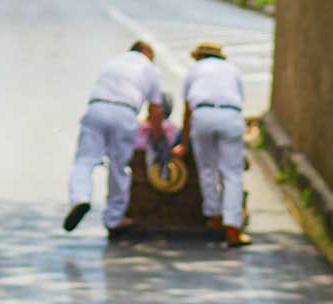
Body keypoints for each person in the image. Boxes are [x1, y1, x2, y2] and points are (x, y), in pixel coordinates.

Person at [66, 42, 168, 237]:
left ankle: (79, 198)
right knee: (119, 167)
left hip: (97, 108)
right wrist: (159, 138)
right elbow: (155, 109)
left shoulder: (112, 62)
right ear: (147, 53)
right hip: (125, 113)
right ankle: (114, 219)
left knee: (84, 160)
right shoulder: (151, 69)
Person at [176, 42, 251, 247]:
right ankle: (233, 229)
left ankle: (214, 218)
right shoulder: (232, 70)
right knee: (232, 174)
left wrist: (183, 143)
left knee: (207, 169)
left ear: (199, 56)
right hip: (230, 115)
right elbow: (239, 102)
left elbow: (187, 110)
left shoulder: (194, 70)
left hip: (203, 115)